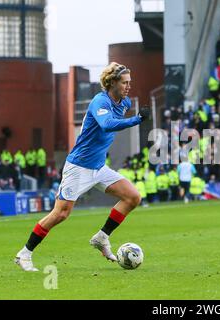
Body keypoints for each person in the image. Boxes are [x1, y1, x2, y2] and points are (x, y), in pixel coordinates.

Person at [14, 62, 150, 271]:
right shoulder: (99, 101)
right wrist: (136, 120)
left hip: (98, 167)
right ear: (112, 82)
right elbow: (106, 125)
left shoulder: (123, 102)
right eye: (125, 82)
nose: (128, 86)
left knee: (133, 197)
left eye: (129, 82)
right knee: (60, 214)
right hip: (78, 167)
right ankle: (25, 253)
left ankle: (102, 237)